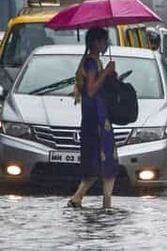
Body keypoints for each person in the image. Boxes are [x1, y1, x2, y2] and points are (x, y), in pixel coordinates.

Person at [67, 27, 117, 209]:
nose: (107, 44)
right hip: (95, 119)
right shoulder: (91, 63)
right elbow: (91, 89)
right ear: (97, 42)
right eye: (105, 41)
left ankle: (97, 201)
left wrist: (110, 73)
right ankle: (97, 202)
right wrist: (106, 72)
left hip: (98, 117)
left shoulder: (94, 62)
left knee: (104, 164)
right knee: (101, 163)